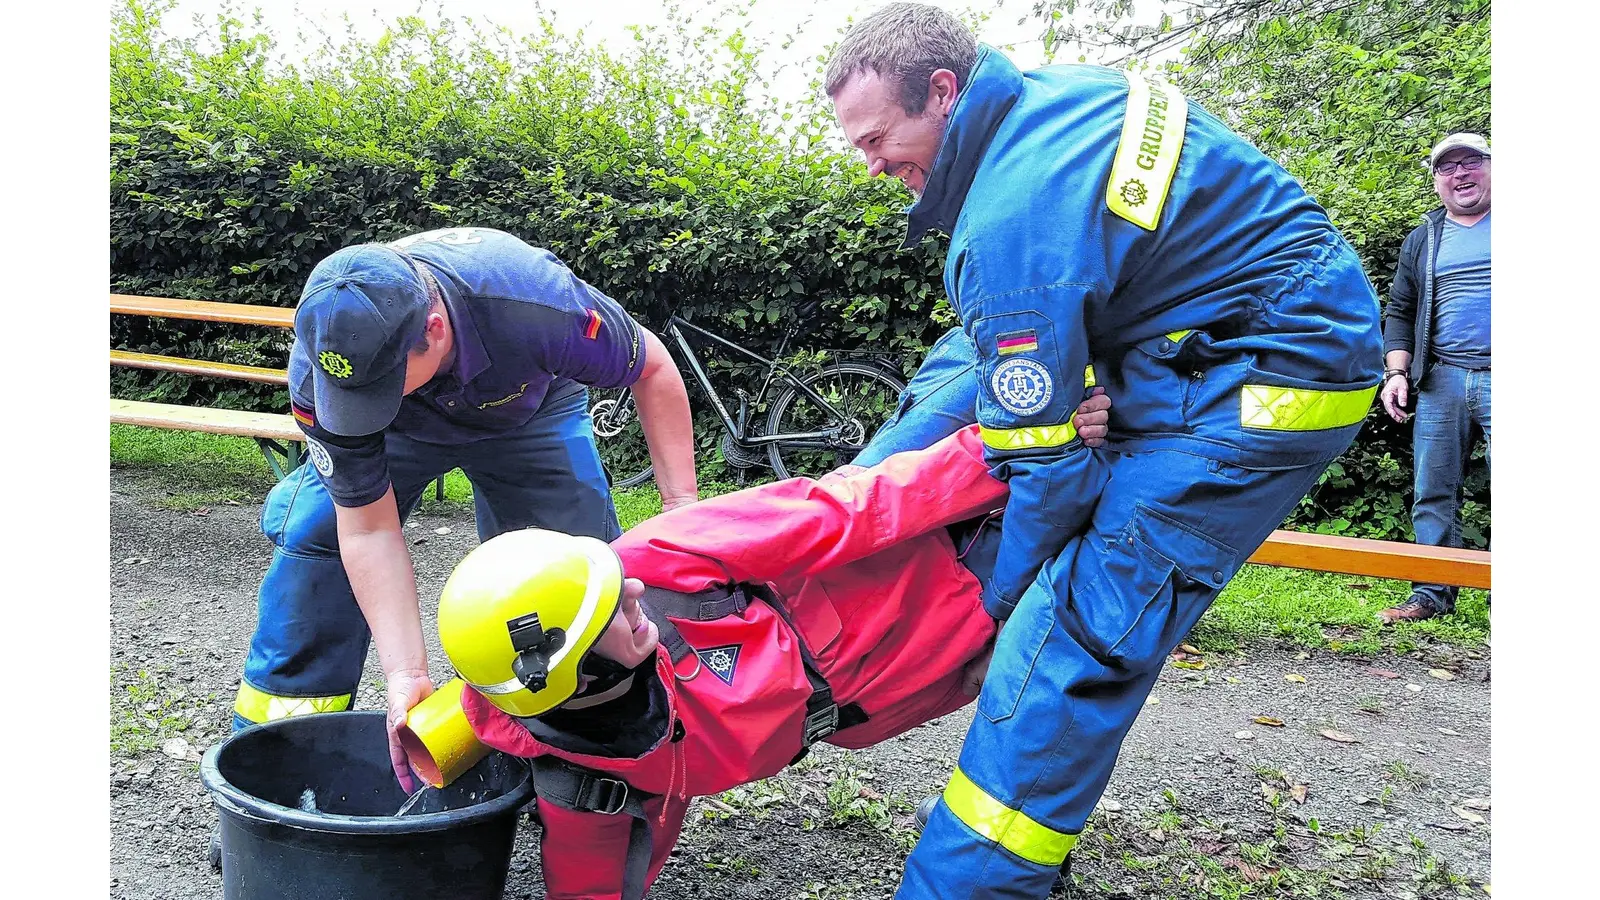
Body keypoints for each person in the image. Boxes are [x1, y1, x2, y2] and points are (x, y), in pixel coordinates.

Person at [822, 5, 1383, 897]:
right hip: (1213, 332)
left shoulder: (1013, 221)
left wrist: (983, 607)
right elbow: (987, 348)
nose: (872, 164)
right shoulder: (1045, 109)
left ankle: (966, 884)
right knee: (983, 390)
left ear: (942, 92)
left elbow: (1045, 474)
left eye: (878, 138)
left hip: (1269, 380)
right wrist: (866, 481)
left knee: (1066, 638)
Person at [435, 396, 1113, 900]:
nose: (632, 587)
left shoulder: (653, 561)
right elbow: (593, 887)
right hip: (911, 672)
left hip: (926, 551)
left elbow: (834, 512)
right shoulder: (584, 779)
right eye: (610, 609)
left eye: (612, 584)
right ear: (577, 680)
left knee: (1084, 429)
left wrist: (995, 454)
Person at [235, 226, 699, 793]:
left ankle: (573, 767)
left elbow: (652, 367)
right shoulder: (328, 372)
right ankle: (279, 778)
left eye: (383, 381)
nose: (364, 397)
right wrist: (406, 675)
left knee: (582, 579)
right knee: (317, 541)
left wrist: (680, 513)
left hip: (530, 411)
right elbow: (367, 530)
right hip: (396, 435)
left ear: (434, 330)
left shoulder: (529, 300)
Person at [1377, 133, 1492, 624]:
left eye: (1472, 162)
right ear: (1437, 182)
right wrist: (1396, 372)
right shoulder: (1425, 236)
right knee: (1434, 490)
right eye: (1448, 168)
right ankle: (1431, 594)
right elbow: (1400, 311)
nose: (1460, 174)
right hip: (1441, 378)